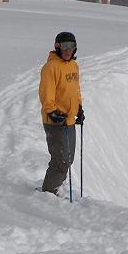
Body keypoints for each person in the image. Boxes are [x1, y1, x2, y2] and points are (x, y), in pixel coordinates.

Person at [37, 30, 84, 195]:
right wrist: (53, 113)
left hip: (69, 120)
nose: (68, 50)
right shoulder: (50, 68)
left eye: (72, 46)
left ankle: (55, 185)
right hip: (55, 122)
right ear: (57, 47)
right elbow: (46, 94)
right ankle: (49, 192)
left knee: (68, 158)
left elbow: (75, 90)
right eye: (64, 46)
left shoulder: (73, 65)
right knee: (61, 160)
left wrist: (79, 108)